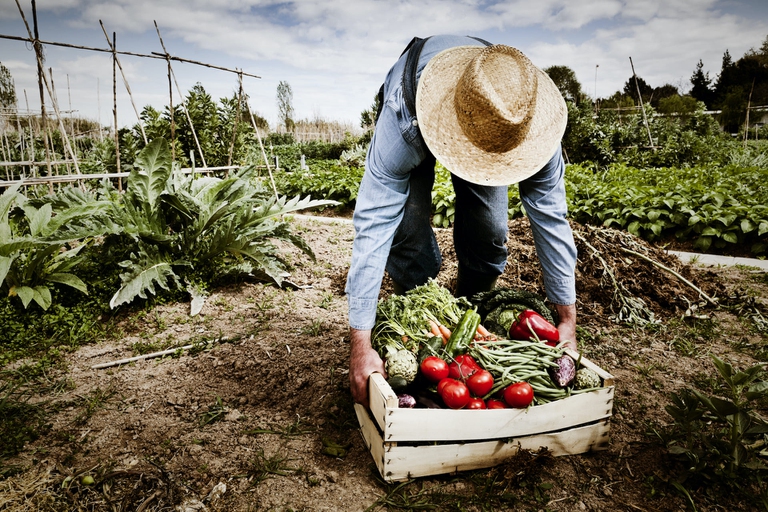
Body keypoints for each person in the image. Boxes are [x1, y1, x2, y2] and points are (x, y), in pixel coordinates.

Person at [345, 35, 578, 407]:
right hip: (420, 106)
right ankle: (421, 318)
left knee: (489, 232)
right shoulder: (402, 118)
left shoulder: (525, 122)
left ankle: (467, 316)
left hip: (490, 120)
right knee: (407, 232)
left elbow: (551, 217)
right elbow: (374, 221)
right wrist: (360, 343)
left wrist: (567, 319)